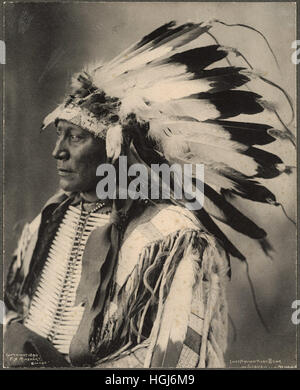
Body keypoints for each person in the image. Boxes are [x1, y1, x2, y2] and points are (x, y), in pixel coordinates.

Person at [4, 20, 293, 368]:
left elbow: (176, 362)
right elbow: (14, 313)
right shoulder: (49, 220)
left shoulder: (172, 238)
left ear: (114, 150)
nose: (58, 151)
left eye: (75, 137)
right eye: (59, 134)